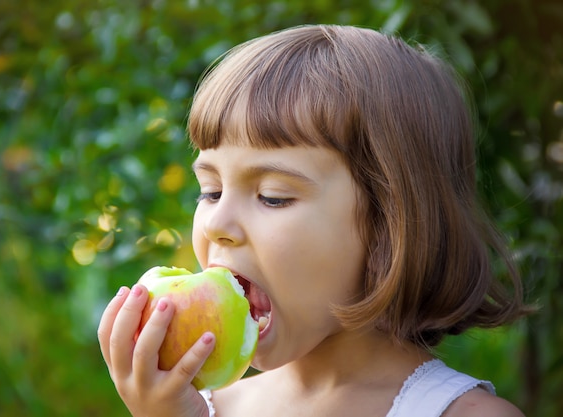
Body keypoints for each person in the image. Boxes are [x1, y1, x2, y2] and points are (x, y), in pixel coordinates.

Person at [97, 24, 531, 417]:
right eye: (211, 191)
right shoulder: (202, 410)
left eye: (273, 197)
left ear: (388, 225)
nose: (216, 224)